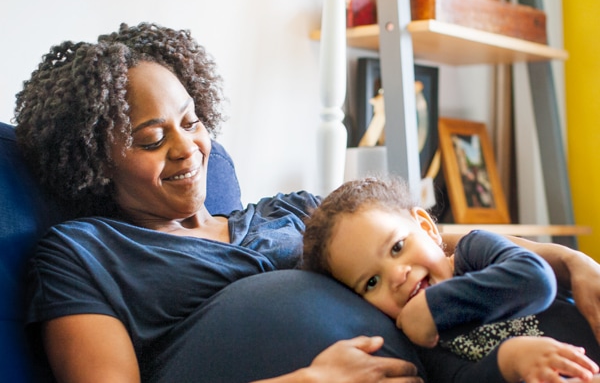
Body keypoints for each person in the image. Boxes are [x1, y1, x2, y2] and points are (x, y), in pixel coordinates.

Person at [11, 22, 600, 383]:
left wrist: (569, 262)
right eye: (151, 139)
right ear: (92, 157)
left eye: (191, 121)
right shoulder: (83, 255)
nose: (188, 147)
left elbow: (421, 239)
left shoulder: (291, 213)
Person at [303, 176, 600, 383]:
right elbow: (460, 379)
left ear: (426, 227)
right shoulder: (418, 341)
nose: (396, 275)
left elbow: (536, 280)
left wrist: (433, 307)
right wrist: (509, 358)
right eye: (371, 282)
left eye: (397, 247)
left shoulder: (474, 252)